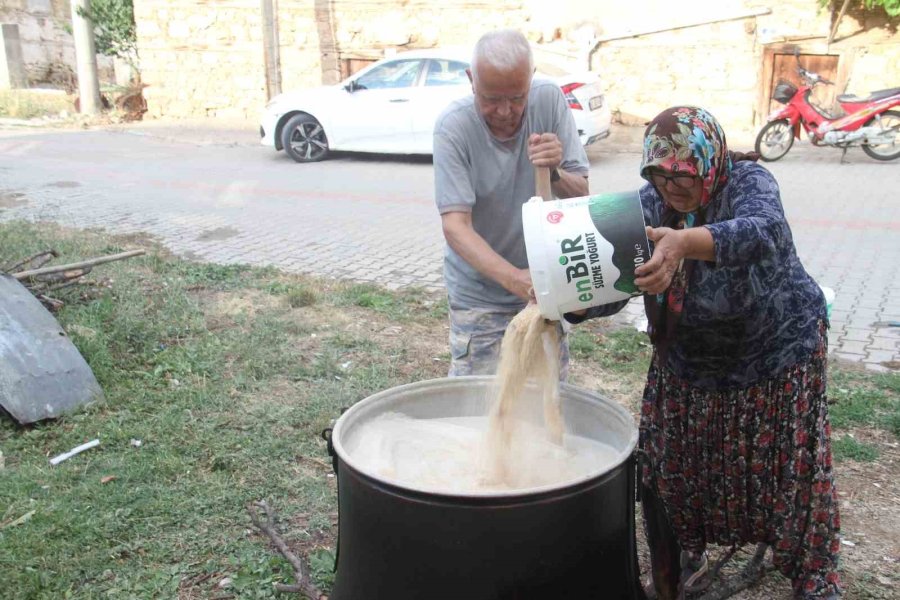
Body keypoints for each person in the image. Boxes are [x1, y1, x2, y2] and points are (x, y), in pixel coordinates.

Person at [570, 106, 841, 599]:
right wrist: (565, 301)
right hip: (688, 362)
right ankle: (677, 567)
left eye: (683, 174)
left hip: (773, 360)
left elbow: (765, 232)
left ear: (711, 160)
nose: (671, 187)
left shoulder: (749, 181)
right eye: (658, 173)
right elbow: (607, 276)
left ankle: (812, 577)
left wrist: (683, 245)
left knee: (788, 477)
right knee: (667, 467)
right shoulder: (648, 206)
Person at [433, 29, 590, 377]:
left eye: (517, 98)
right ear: (471, 80)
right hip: (480, 296)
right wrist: (515, 278)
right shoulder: (453, 127)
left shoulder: (548, 100)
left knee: (546, 399)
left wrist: (554, 173)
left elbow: (581, 196)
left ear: (530, 80)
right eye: (491, 98)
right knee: (478, 405)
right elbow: (455, 226)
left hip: (544, 288)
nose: (505, 111)